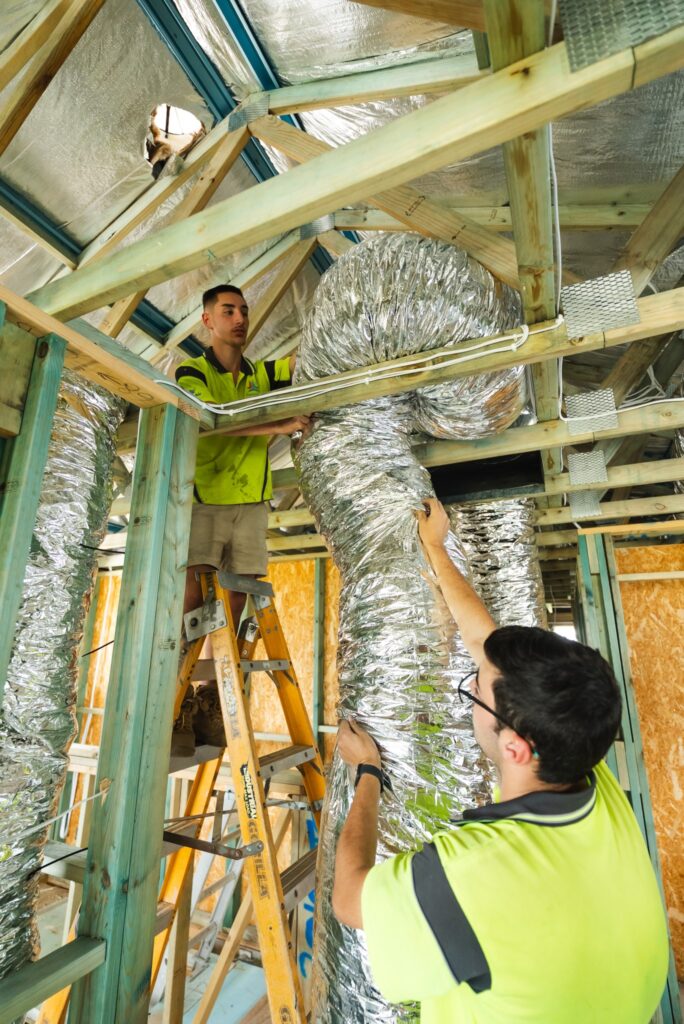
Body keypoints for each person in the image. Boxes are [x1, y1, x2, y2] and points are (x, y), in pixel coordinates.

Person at [331, 497, 669, 1023]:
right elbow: (483, 642)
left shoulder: (476, 869)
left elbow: (349, 899)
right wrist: (435, 549)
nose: (472, 684)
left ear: (515, 746)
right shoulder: (587, 773)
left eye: (475, 691)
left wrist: (369, 775)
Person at [172, 283, 309, 753]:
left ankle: (211, 702)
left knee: (233, 604)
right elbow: (209, 418)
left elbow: (294, 364)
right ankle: (177, 700)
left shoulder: (256, 373)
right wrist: (277, 426)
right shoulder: (193, 370)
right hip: (208, 500)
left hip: (252, 503)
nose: (240, 318)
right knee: (193, 596)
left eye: (245, 311)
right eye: (228, 310)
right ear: (207, 320)